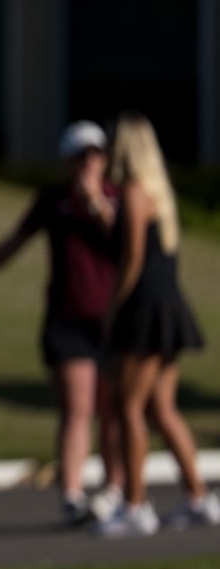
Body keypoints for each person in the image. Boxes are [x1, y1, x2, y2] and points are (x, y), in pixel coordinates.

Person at [0, 122, 124, 525]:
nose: (89, 164)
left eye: (95, 156)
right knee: (78, 409)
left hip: (112, 320)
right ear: (68, 161)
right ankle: (73, 494)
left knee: (113, 409)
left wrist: (95, 201)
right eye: (81, 157)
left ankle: (115, 490)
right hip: (67, 317)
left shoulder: (116, 198)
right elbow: (12, 244)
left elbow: (122, 242)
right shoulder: (53, 200)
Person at [93, 112, 218, 537]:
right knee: (163, 409)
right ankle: (199, 496)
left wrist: (112, 310)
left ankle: (134, 505)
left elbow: (130, 260)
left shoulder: (131, 191)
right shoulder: (156, 191)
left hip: (144, 310)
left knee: (129, 407)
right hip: (168, 304)